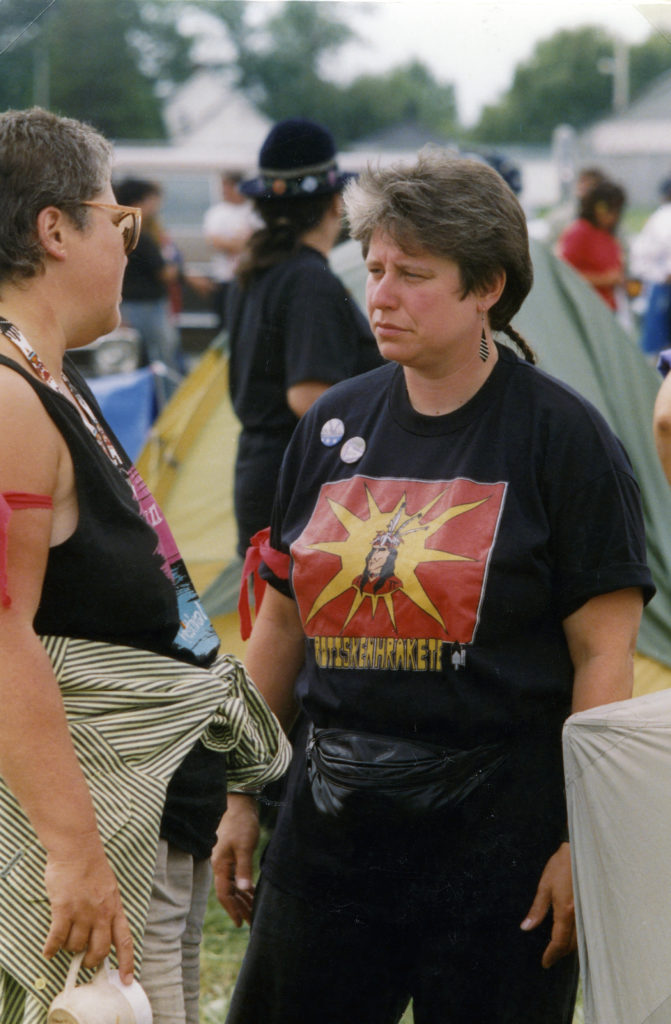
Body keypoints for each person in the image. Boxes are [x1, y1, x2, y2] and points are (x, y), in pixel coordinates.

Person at [213, 150, 654, 1024]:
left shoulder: (561, 438)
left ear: (487, 284)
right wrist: (237, 792)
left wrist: (581, 840)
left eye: (414, 275)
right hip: (331, 822)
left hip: (500, 831)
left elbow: (603, 652)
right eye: (374, 268)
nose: (380, 294)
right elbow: (282, 627)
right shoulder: (334, 423)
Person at [0, 107, 289, 1024]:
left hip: (155, 814)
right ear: (56, 229)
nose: (130, 246)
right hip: (95, 839)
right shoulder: (8, 402)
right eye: (117, 221)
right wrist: (73, 850)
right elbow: (2, 635)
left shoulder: (48, 376)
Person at [225, 117, 383, 558]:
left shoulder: (258, 272)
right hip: (301, 489)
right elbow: (309, 396)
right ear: (336, 203)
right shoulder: (309, 281)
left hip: (263, 476)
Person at [116, 177, 183, 405]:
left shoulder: (124, 230)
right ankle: (170, 408)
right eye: (153, 200)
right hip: (148, 306)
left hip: (130, 305)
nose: (158, 205)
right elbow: (164, 273)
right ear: (139, 202)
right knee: (163, 361)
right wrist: (179, 268)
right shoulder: (142, 235)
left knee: (137, 361)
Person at [557, 179, 627, 312]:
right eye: (610, 210)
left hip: (607, 309)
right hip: (585, 310)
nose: (614, 217)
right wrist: (603, 280)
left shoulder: (607, 234)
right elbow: (563, 275)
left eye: (617, 211)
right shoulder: (579, 232)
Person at [203, 171, 259, 331]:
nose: (224, 190)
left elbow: (257, 241)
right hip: (224, 278)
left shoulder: (253, 211)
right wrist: (241, 243)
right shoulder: (216, 213)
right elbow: (214, 241)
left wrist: (234, 242)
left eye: (228, 186)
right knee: (225, 325)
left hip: (248, 278)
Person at [630, 176, 671, 359]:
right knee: (659, 346)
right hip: (662, 286)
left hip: (660, 282)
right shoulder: (662, 218)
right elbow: (643, 258)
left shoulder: (659, 218)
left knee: (659, 350)